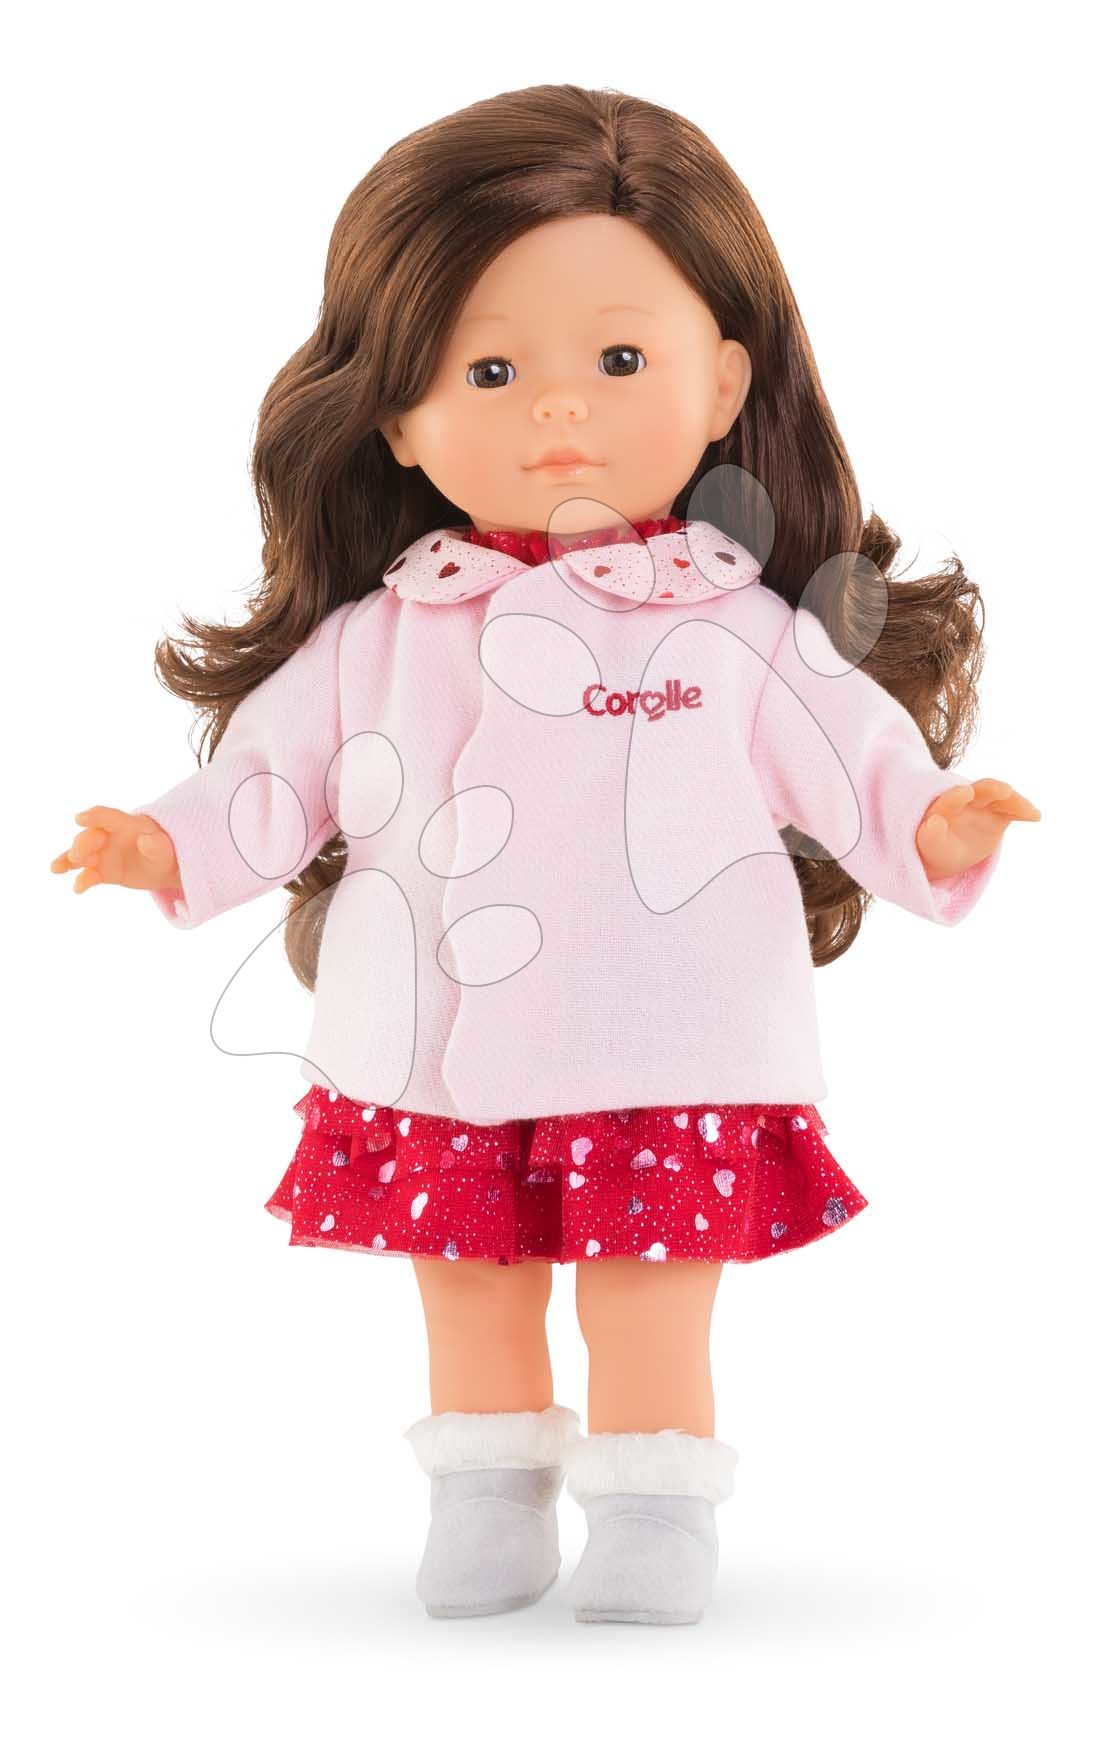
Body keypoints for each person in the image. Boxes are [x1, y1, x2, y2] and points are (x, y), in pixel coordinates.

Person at [50, 84, 1039, 1626]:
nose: (557, 411)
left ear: (724, 382)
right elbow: (272, 778)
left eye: (618, 361)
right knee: (470, 1279)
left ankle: (653, 1505)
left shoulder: (734, 628)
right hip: (432, 1038)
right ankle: (487, 1493)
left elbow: (851, 758)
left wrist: (933, 821)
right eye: (492, 370)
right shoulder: (385, 632)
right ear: (396, 414)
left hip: (667, 1041)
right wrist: (162, 843)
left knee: (649, 1287)